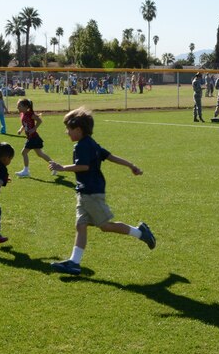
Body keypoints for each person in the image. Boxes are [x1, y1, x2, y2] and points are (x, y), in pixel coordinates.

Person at [48, 108, 156, 274]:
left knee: (105, 226)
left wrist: (61, 168)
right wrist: (131, 165)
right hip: (85, 193)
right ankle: (74, 263)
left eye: (69, 129)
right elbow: (110, 156)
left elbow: (84, 166)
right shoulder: (92, 143)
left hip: (91, 193)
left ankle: (140, 233)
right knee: (81, 225)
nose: (66, 132)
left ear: (78, 130)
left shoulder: (82, 146)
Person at [14, 99, 54, 178]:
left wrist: (34, 128)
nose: (17, 107)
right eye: (17, 106)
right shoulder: (23, 114)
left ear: (26, 107)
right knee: (40, 154)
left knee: (24, 153)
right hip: (31, 137)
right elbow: (24, 124)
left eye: (19, 106)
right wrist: (20, 129)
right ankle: (54, 165)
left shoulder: (30, 114)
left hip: (33, 137)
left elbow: (39, 120)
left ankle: (26, 171)